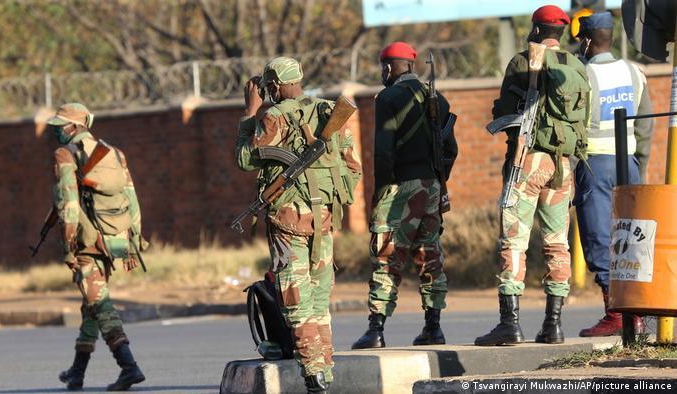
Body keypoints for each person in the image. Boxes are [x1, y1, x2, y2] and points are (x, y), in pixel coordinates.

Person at [235, 57, 361, 393]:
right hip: (323, 217)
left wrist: (250, 114)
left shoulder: (273, 116)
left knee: (296, 299)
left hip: (287, 219)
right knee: (320, 303)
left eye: (268, 86)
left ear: (274, 85)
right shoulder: (326, 110)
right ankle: (325, 371)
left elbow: (245, 159)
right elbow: (352, 167)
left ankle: (314, 377)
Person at [475, 5, 590, 346]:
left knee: (514, 240)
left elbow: (504, 110)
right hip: (563, 164)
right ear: (562, 31)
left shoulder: (523, 61)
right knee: (557, 244)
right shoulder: (576, 66)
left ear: (536, 29)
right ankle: (553, 324)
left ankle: (509, 324)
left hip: (528, 159)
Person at [351, 42, 457, 350]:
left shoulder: (388, 98)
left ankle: (376, 329)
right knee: (430, 255)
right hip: (432, 186)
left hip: (400, 187)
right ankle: (433, 328)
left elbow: (383, 153)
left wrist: (380, 192)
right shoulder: (437, 99)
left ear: (388, 67)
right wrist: (436, 179)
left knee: (386, 255)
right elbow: (451, 149)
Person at [50, 103, 147, 391]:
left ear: (74, 127)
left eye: (60, 125)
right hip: (114, 239)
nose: (56, 131)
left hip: (87, 243)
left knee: (101, 305)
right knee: (91, 303)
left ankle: (129, 367)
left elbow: (67, 204)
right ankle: (77, 373)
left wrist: (68, 246)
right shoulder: (114, 153)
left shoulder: (65, 154)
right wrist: (133, 242)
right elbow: (133, 199)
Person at [574, 12, 652, 337]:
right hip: (629, 165)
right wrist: (640, 167)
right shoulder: (634, 72)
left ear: (589, 40)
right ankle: (635, 314)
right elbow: (646, 124)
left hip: (595, 165)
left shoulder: (583, 74)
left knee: (598, 236)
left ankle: (616, 314)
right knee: (632, 236)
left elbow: (575, 125)